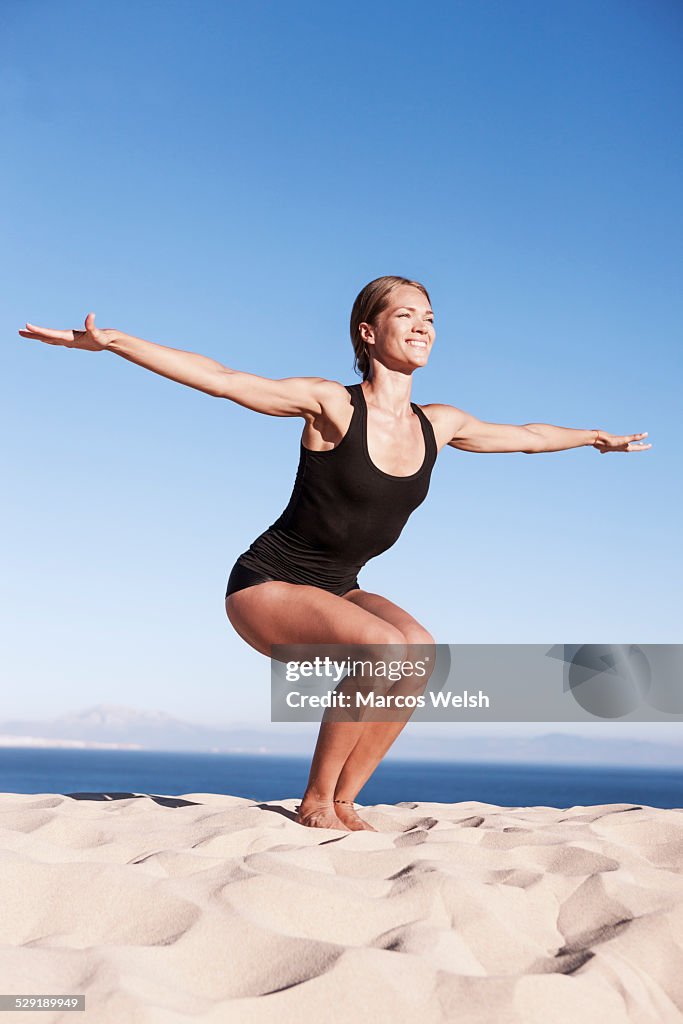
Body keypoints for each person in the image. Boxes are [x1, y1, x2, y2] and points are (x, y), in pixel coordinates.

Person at [19, 275, 651, 832]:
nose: (423, 326)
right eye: (406, 314)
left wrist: (593, 437)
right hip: (265, 586)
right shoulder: (331, 404)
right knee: (382, 648)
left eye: (430, 317)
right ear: (367, 332)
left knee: (420, 651)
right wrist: (116, 342)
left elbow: (528, 437)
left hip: (338, 584)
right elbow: (223, 379)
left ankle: (345, 801)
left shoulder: (441, 423)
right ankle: (315, 798)